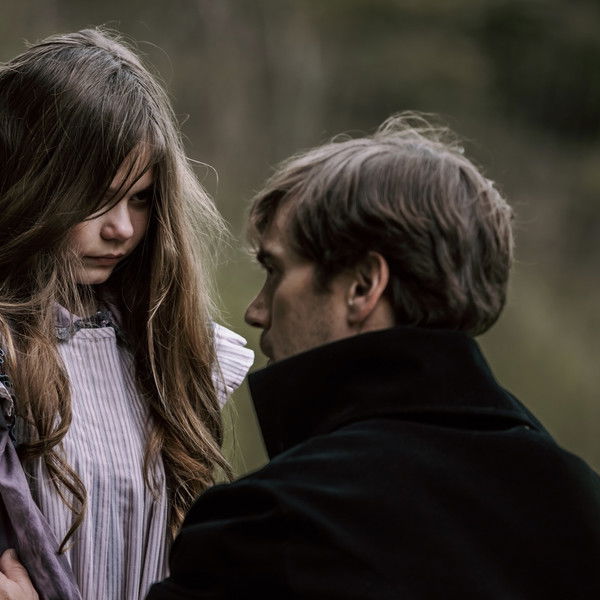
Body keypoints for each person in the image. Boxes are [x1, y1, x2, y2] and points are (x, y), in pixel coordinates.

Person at [3, 114, 600, 598]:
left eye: (276, 270)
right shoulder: (578, 504)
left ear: (363, 286)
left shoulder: (279, 527)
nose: (256, 310)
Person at [0, 28, 253, 600]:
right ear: (26, 183)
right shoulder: (6, 359)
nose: (122, 228)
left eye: (139, 198)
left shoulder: (169, 351)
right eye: (95, 197)